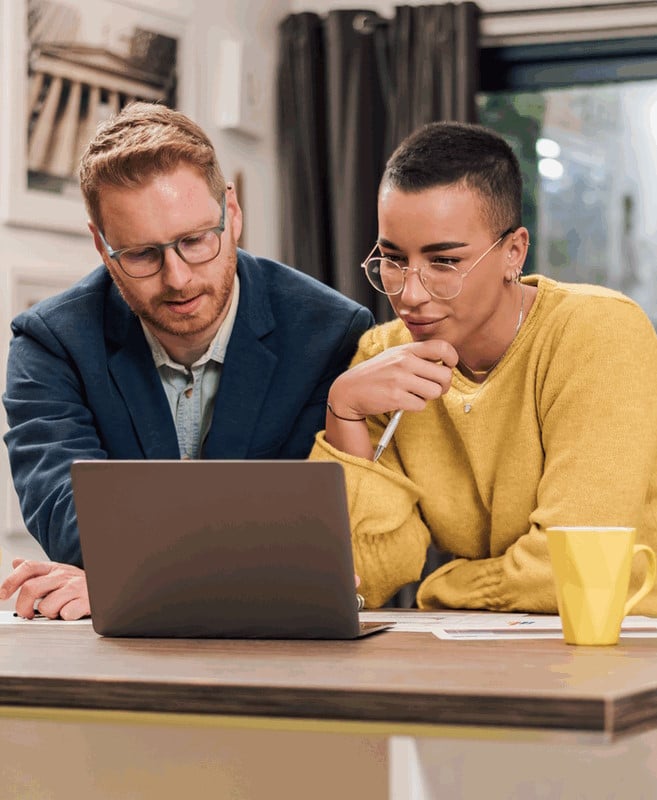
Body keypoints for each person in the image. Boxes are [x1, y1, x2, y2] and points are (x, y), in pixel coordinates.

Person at [1, 102, 373, 619]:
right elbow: (67, 517)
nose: (177, 278)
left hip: (286, 646)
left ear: (232, 212)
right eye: (142, 255)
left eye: (196, 240)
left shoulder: (332, 334)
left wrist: (124, 578)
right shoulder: (49, 342)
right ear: (102, 247)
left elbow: (321, 540)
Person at [310, 120, 657, 613]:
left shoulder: (599, 332)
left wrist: (444, 588)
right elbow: (360, 579)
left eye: (444, 262)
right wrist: (342, 411)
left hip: (622, 652)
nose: (409, 295)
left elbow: (571, 571)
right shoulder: (381, 358)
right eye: (392, 259)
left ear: (513, 251)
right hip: (481, 655)